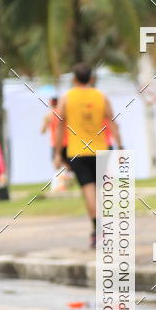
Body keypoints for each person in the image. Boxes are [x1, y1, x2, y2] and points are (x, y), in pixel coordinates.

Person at [54, 63, 123, 249]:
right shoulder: (101, 96)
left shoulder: (67, 98)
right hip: (101, 149)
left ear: (74, 79)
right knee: (102, 189)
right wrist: (120, 145)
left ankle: (97, 230)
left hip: (77, 151)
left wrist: (57, 153)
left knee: (88, 189)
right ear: (91, 78)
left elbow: (60, 126)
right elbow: (113, 121)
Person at [41, 94, 69, 164]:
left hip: (56, 145)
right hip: (68, 144)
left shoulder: (48, 116)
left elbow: (43, 131)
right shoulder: (66, 114)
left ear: (51, 103)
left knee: (57, 167)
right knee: (69, 168)